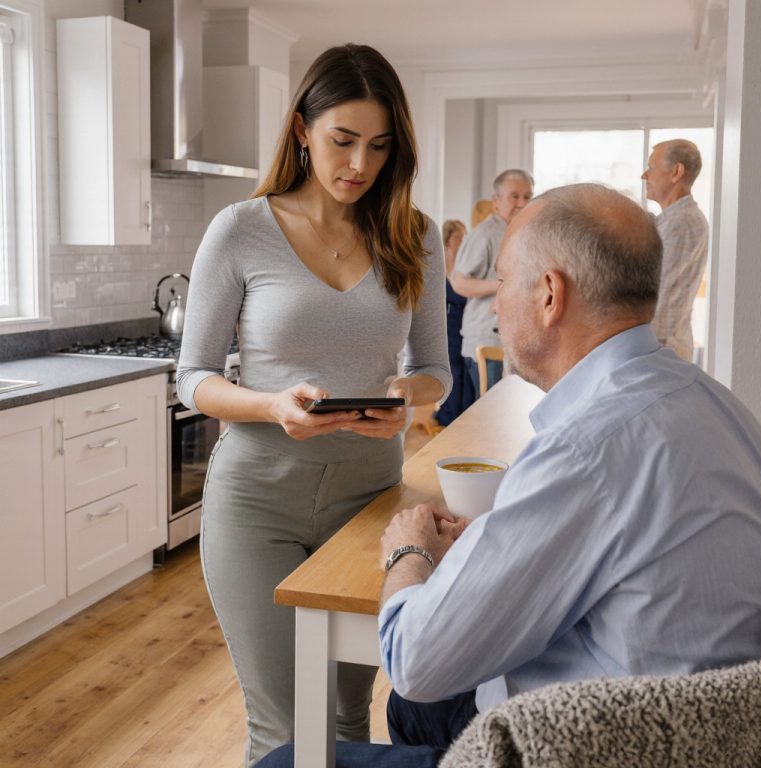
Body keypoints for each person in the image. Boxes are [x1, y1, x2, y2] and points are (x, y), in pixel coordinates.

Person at [256, 183, 761, 768]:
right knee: (414, 710)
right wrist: (492, 540)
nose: (495, 305)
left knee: (287, 760)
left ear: (549, 294)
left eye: (502, 282)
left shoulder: (582, 448)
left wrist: (409, 553)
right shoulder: (715, 402)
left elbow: (414, 658)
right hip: (718, 734)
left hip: (599, 747)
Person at [176, 43, 451, 766]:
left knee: (347, 715)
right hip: (255, 502)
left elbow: (435, 371)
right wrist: (272, 405)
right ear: (302, 129)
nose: (359, 164)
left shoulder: (415, 235)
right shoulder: (241, 229)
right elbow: (192, 376)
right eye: (343, 140)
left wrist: (405, 396)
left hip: (368, 505)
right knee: (283, 728)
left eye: (379, 146)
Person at [451, 169, 533, 401]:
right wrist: (504, 285)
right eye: (514, 196)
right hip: (486, 341)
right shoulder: (484, 235)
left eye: (527, 197)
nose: (522, 203)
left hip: (511, 344)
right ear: (496, 201)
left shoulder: (522, 232)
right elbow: (459, 282)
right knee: (491, 412)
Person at [641, 139, 709, 361]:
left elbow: (661, 294)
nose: (644, 175)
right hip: (658, 349)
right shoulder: (671, 220)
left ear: (676, 172)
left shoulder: (682, 222)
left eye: (651, 167)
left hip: (659, 351)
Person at [434, 220, 473, 426]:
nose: (464, 240)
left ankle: (463, 416)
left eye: (465, 236)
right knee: (453, 370)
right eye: (459, 236)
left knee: (465, 370)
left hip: (466, 323)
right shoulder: (437, 267)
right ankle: (449, 416)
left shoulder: (466, 268)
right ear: (449, 240)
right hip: (447, 324)